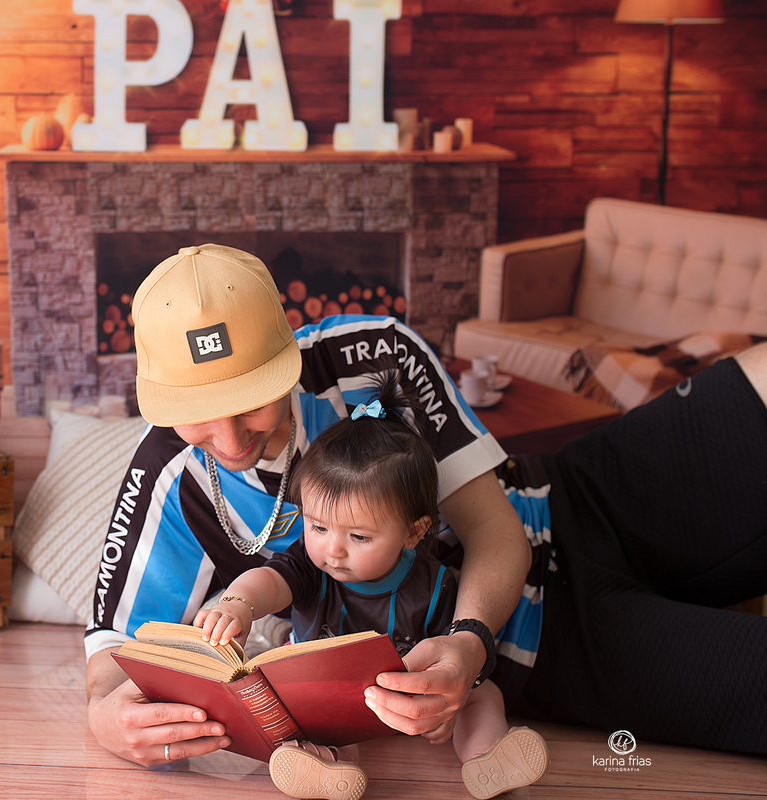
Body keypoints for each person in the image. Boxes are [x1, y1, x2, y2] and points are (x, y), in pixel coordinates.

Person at [86, 243, 767, 765]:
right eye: (201, 416)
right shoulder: (167, 477)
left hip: (585, 494)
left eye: (251, 402)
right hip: (549, 640)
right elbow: (110, 652)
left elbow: (493, 525)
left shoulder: (374, 353)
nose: (230, 441)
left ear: (285, 350)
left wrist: (464, 642)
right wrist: (103, 720)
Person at [195, 379, 548, 800]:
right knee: (312, 715)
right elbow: (269, 580)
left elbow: (451, 652)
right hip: (332, 693)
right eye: (318, 526)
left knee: (482, 694)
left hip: (405, 695)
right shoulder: (312, 564)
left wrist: (447, 702)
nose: (333, 550)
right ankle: (327, 767)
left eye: (359, 537)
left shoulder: (435, 583)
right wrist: (238, 603)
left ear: (414, 534)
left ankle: (488, 756)